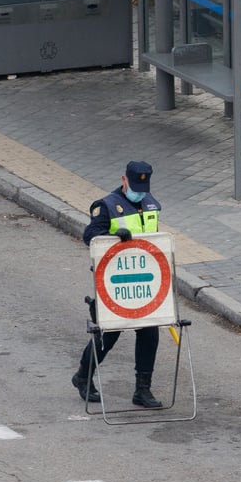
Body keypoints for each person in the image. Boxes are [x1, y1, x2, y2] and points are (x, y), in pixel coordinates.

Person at [71, 160, 163, 408]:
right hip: (114, 281)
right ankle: (83, 376)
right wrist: (111, 237)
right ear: (124, 181)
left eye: (143, 187)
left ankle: (142, 390)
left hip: (143, 281)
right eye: (133, 186)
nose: (139, 191)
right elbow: (89, 236)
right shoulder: (107, 206)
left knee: (149, 333)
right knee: (108, 335)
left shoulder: (150, 203)